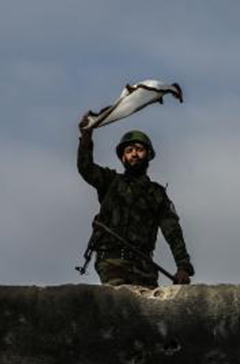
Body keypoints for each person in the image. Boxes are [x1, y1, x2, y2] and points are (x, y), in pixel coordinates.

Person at [77, 115, 195, 287]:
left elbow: (173, 231)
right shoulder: (109, 181)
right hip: (112, 262)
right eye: (129, 150)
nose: (134, 154)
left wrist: (183, 266)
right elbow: (85, 167)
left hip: (144, 267)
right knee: (118, 304)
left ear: (148, 155)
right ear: (123, 157)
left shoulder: (157, 194)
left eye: (139, 149)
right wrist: (86, 137)